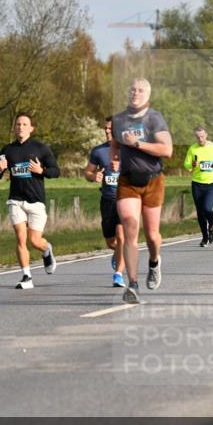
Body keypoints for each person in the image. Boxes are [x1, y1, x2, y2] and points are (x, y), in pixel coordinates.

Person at [111, 78, 173, 304]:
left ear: (147, 95)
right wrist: (114, 158)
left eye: (140, 90)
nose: (135, 93)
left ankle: (155, 261)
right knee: (129, 225)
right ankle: (133, 284)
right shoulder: (119, 119)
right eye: (132, 89)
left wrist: (138, 144)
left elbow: (167, 150)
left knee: (152, 236)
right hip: (127, 180)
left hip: (153, 181)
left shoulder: (154, 118)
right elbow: (115, 143)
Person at [0, 112, 60, 290]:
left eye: (24, 124)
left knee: (35, 240)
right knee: (20, 238)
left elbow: (56, 171)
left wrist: (41, 170)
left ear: (31, 128)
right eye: (18, 124)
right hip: (16, 199)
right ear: (14, 128)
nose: (20, 127)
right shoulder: (7, 150)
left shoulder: (40, 148)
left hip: (36, 201)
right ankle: (27, 276)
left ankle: (46, 250)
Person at [85, 117, 125, 287]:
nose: (107, 131)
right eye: (105, 128)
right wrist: (94, 176)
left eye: (110, 128)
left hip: (125, 200)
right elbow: (87, 172)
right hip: (107, 200)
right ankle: (118, 254)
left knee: (122, 237)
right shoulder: (98, 151)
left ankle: (118, 275)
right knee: (111, 241)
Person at [184, 127, 213, 247]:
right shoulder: (192, 148)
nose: (200, 139)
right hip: (197, 183)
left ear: (206, 135)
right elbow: (187, 164)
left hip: (211, 183)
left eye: (202, 136)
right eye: (198, 137)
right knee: (200, 213)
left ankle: (211, 225)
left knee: (207, 208)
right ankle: (205, 237)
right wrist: (192, 164)